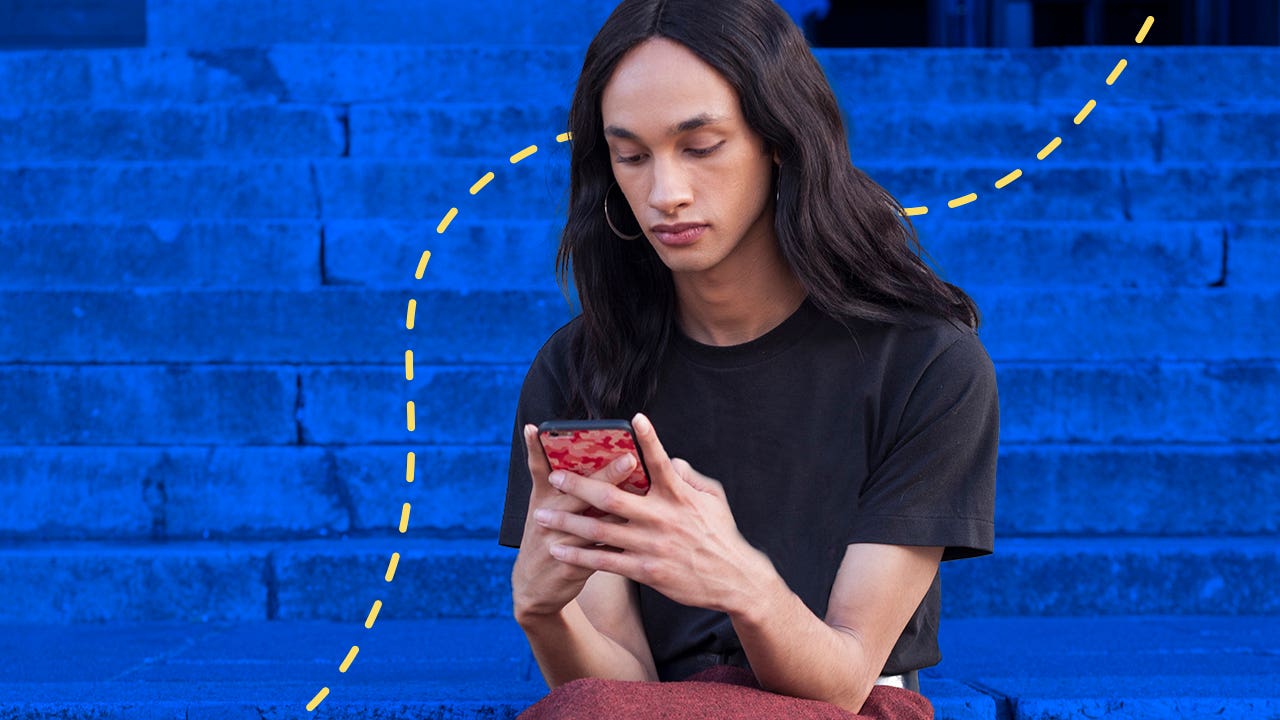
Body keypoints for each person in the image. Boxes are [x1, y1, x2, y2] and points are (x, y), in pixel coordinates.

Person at [497, 1, 999, 717]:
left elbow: (845, 675)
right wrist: (543, 613)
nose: (664, 194)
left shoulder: (926, 365)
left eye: (700, 146)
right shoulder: (581, 366)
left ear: (781, 143)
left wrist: (737, 580)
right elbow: (617, 686)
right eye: (631, 156)